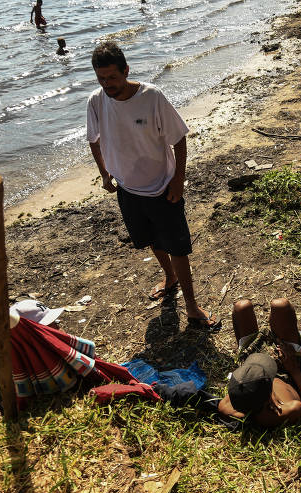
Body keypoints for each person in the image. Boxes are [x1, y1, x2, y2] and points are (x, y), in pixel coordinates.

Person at [86, 42, 218, 329]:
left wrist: (178, 180)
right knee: (150, 240)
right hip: (127, 189)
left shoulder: (151, 97)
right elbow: (94, 139)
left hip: (162, 187)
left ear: (126, 71)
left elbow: (179, 138)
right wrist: (105, 173)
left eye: (112, 77)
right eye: (101, 79)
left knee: (178, 247)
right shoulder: (96, 101)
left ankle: (192, 306)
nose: (107, 84)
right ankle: (169, 277)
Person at [217, 298, 301, 426]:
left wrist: (255, 386)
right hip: (291, 371)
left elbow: (242, 392)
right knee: (281, 306)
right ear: (268, 400)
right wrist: (295, 371)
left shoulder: (225, 407)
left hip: (251, 368)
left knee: (241, 307)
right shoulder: (288, 409)